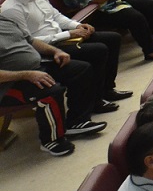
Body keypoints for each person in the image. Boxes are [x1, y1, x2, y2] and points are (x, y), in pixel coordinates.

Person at [1, 0, 132, 103]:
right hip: (47, 48)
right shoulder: (11, 9)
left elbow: (57, 16)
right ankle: (96, 100)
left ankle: (107, 90)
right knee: (98, 50)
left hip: (62, 37)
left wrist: (78, 25)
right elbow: (29, 41)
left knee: (112, 39)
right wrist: (69, 34)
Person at [0, 12, 106, 154]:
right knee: (51, 91)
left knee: (80, 69)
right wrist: (27, 74)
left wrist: (55, 51)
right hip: (9, 83)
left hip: (35, 68)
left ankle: (77, 121)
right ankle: (51, 140)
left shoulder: (4, 19)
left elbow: (31, 41)